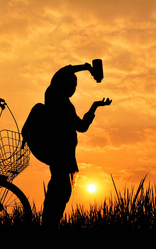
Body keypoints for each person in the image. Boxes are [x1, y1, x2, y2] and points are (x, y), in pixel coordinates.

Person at [42, 63, 112, 229]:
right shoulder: (53, 96)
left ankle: (50, 224)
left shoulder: (66, 105)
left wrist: (94, 107)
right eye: (71, 85)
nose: (73, 89)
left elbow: (81, 127)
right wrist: (86, 67)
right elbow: (62, 72)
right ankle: (48, 225)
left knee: (62, 190)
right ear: (62, 85)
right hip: (58, 152)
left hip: (66, 154)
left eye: (75, 86)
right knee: (59, 189)